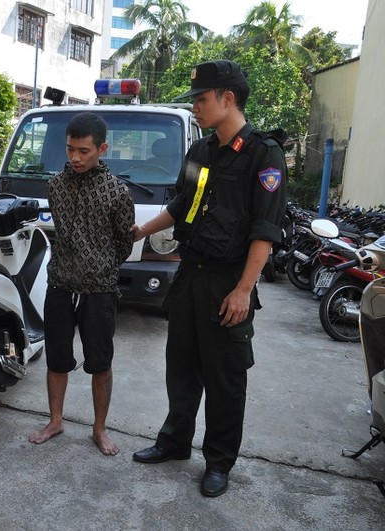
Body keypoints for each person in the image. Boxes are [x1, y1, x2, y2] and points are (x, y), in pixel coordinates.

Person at [130, 60, 287, 497]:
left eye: (201, 99)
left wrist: (243, 289)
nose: (195, 107)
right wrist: (141, 230)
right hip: (189, 277)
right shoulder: (200, 151)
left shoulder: (264, 154)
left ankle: (218, 462)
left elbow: (265, 230)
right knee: (180, 368)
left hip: (227, 283)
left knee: (225, 378)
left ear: (228, 99)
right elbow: (183, 204)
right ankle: (175, 442)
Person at [28, 112, 135, 456]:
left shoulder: (117, 191)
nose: (75, 157)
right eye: (71, 149)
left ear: (102, 148)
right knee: (57, 359)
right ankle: (55, 420)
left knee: (100, 363)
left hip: (99, 289)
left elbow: (124, 242)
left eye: (84, 151)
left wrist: (99, 265)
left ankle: (99, 429)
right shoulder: (56, 185)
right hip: (60, 283)